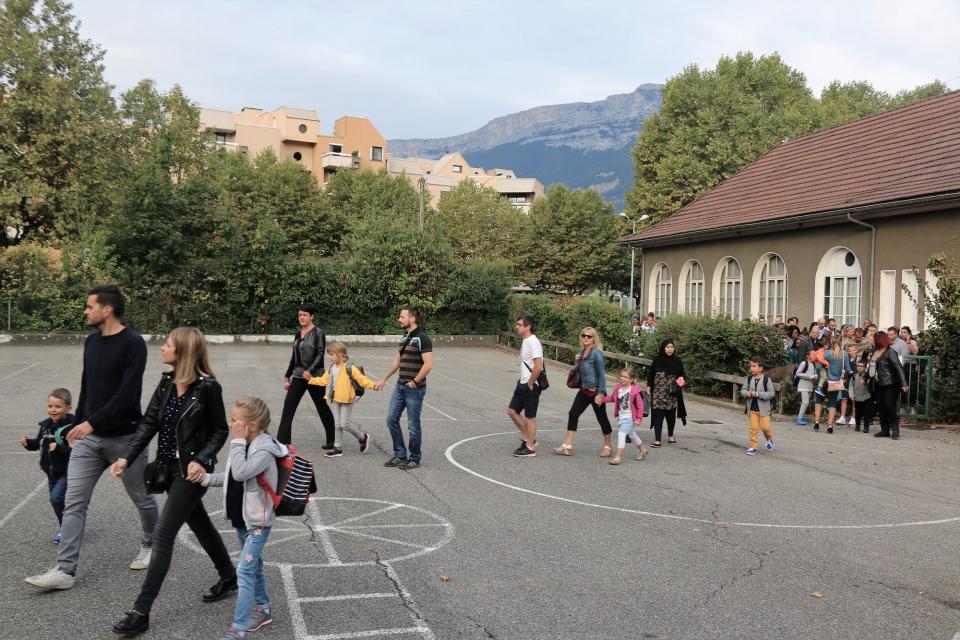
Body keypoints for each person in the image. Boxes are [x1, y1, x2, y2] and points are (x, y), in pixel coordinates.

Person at [25, 285, 158, 591]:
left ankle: (151, 544)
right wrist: (78, 423)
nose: (85, 311)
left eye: (89, 306)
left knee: (141, 498)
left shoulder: (133, 343)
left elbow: (128, 394)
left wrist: (91, 422)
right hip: (89, 437)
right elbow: (87, 386)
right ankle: (65, 570)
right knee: (73, 502)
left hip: (126, 438)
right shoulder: (91, 341)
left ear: (107, 309)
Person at [109, 327, 235, 638]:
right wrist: (126, 457)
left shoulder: (208, 388)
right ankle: (230, 577)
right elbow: (150, 422)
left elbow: (220, 430)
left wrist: (201, 459)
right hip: (167, 469)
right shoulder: (167, 382)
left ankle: (141, 612)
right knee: (201, 524)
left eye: (167, 344)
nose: (162, 348)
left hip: (191, 473)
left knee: (163, 535)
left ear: (182, 352)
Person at [201, 396, 287, 640]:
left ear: (250, 425)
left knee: (245, 571)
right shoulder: (245, 444)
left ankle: (238, 629)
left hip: (257, 523)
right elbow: (230, 476)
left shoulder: (263, 448)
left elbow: (240, 473)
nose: (231, 425)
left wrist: (237, 441)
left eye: (234, 420)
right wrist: (206, 478)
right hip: (242, 518)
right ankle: (264, 609)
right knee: (254, 566)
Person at [376, 307, 433, 470]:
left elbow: (428, 365)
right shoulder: (405, 337)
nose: (399, 319)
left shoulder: (423, 338)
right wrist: (384, 379)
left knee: (413, 425)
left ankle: (414, 458)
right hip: (400, 387)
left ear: (412, 319)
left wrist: (415, 381)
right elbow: (397, 361)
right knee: (391, 419)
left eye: (402, 317)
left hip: (414, 389)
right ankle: (400, 454)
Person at [19, 388, 76, 544]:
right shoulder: (45, 426)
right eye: (50, 406)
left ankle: (67, 528)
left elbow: (76, 451)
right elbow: (38, 444)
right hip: (51, 472)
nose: (53, 410)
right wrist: (27, 443)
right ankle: (67, 526)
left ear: (68, 408)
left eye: (58, 406)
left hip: (66, 470)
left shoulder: (72, 426)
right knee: (57, 500)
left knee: (56, 498)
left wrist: (59, 448)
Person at [304, 342, 378, 458]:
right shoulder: (332, 367)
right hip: (336, 399)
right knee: (337, 425)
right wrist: (311, 380)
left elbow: (362, 379)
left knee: (345, 424)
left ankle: (362, 437)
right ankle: (337, 448)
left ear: (341, 355)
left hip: (347, 399)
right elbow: (324, 381)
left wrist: (374, 385)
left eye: (332, 354)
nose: (330, 357)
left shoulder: (350, 367)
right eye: (330, 355)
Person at [276, 303, 335, 447]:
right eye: (300, 315)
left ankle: (332, 440)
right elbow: (294, 355)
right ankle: (282, 442)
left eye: (305, 315)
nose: (301, 317)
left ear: (312, 316)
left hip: (314, 376)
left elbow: (320, 353)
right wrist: (288, 373)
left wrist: (310, 370)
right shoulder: (298, 333)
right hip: (298, 375)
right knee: (288, 406)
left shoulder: (318, 333)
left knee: (321, 406)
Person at [553, 327, 613, 457]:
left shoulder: (596, 353)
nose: (586, 337)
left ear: (593, 339)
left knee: (602, 418)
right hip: (584, 390)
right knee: (573, 414)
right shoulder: (582, 352)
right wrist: (577, 362)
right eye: (583, 335)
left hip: (596, 391)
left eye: (589, 336)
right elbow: (579, 370)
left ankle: (608, 446)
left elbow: (602, 375)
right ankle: (567, 446)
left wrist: (601, 393)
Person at [506, 315, 543, 458]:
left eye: (519, 324)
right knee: (512, 411)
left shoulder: (533, 342)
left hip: (531, 385)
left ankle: (530, 448)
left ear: (528, 327)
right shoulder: (526, 341)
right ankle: (529, 438)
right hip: (522, 382)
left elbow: (538, 365)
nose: (517, 327)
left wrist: (530, 382)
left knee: (530, 417)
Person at [595, 367, 647, 465]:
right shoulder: (618, 388)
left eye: (625, 377)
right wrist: (602, 399)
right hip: (621, 417)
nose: (622, 378)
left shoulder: (635, 391)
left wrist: (639, 419)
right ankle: (643, 450)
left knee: (622, 434)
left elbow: (640, 406)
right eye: (621, 376)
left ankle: (618, 457)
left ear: (631, 379)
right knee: (632, 435)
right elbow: (612, 398)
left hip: (630, 418)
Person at [646, 338, 686, 447]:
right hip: (658, 393)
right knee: (658, 415)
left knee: (670, 416)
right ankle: (657, 439)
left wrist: (681, 381)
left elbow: (682, 375)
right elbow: (651, 375)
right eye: (667, 347)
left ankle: (670, 435)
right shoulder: (657, 360)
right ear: (663, 348)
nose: (670, 349)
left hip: (672, 394)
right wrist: (649, 386)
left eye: (672, 347)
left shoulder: (677, 361)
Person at [871, 332, 909, 439]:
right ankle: (885, 430)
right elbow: (871, 367)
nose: (875, 340)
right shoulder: (874, 352)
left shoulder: (891, 352)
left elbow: (898, 367)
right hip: (878, 383)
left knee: (889, 406)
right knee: (880, 406)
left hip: (890, 383)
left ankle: (895, 429)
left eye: (876, 339)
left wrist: (904, 383)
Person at [741, 357, 775, 456]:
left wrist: (757, 394)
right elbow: (743, 390)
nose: (751, 368)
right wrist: (746, 393)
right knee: (753, 428)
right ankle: (753, 447)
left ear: (760, 368)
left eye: (754, 366)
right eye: (751, 366)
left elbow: (771, 393)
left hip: (764, 410)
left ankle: (769, 439)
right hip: (752, 409)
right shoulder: (749, 378)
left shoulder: (766, 380)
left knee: (765, 428)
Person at [850, 358, 874, 433]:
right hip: (857, 397)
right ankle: (857, 425)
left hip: (866, 397)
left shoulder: (867, 376)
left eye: (861, 366)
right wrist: (851, 395)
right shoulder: (854, 376)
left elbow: (871, 385)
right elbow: (851, 386)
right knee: (858, 413)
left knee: (867, 413)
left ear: (865, 367)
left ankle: (866, 427)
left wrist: (866, 380)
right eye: (858, 366)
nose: (859, 367)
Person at [794, 351, 818, 425]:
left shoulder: (814, 364)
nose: (814, 355)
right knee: (805, 402)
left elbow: (814, 375)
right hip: (803, 385)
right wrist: (809, 376)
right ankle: (799, 418)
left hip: (810, 386)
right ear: (808, 356)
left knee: (806, 403)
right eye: (813, 354)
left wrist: (815, 377)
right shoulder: (804, 363)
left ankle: (801, 417)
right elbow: (797, 373)